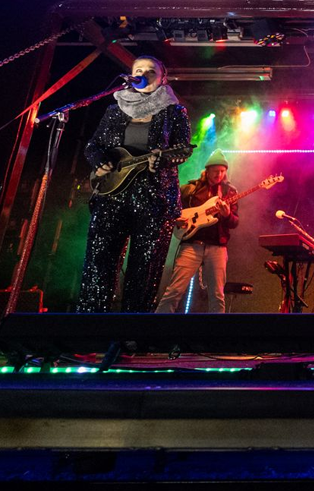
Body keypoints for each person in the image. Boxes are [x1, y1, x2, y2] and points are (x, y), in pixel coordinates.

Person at [77, 56, 191, 313]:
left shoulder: (174, 111)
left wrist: (161, 162)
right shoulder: (114, 109)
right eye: (138, 70)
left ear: (163, 78)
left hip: (153, 198)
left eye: (151, 71)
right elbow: (93, 146)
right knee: (99, 263)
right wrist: (101, 162)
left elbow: (182, 150)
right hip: (111, 195)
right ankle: (89, 331)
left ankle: (133, 333)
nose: (144, 74)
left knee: (145, 267)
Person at [155, 149, 239, 314]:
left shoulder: (230, 192)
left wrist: (227, 214)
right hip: (191, 244)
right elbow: (173, 210)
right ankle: (157, 330)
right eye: (216, 171)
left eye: (222, 171)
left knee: (217, 295)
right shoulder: (192, 188)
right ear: (207, 170)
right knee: (174, 291)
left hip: (217, 247)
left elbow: (235, 222)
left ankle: (215, 338)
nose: (219, 174)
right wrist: (176, 220)